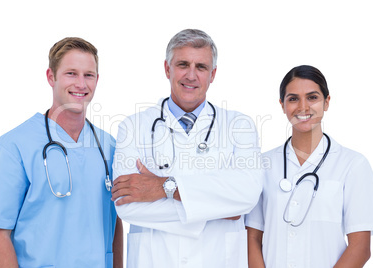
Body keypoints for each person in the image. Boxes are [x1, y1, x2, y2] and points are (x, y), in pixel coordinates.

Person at [111, 29, 263, 268]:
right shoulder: (133, 126)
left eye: (201, 67)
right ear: (167, 68)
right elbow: (126, 206)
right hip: (155, 260)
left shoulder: (239, 126)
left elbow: (246, 197)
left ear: (212, 74)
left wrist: (163, 187)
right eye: (183, 64)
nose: (191, 75)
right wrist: (217, 206)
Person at [0, 37, 123, 268]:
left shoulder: (108, 146)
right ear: (51, 77)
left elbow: (115, 221)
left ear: (97, 80)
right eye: (71, 73)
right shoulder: (15, 146)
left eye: (88, 75)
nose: (81, 83)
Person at [245, 65, 373, 268]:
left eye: (312, 97)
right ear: (282, 105)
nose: (303, 107)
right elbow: (252, 238)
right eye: (293, 98)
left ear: (327, 102)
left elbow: (360, 247)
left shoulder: (353, 165)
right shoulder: (262, 164)